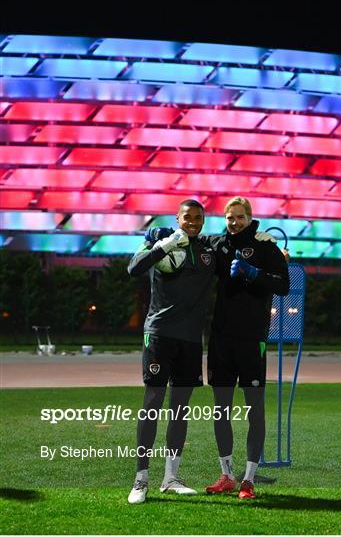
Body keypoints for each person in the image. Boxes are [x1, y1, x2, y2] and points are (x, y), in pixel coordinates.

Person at [126, 199, 216, 504]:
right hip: (160, 334)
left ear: (203, 221)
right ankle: (141, 480)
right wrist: (160, 245)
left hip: (190, 340)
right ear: (178, 218)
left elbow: (238, 239)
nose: (192, 222)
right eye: (187, 217)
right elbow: (133, 268)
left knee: (180, 409)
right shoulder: (159, 240)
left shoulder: (208, 250)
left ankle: (171, 477)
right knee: (152, 402)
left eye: (198, 218)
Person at [203, 197, 290, 500]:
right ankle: (227, 474)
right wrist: (163, 236)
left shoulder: (265, 244)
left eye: (239, 217)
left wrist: (254, 274)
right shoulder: (218, 244)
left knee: (255, 410)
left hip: (252, 339)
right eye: (229, 217)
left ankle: (248, 480)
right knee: (220, 410)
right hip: (221, 339)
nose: (234, 222)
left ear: (249, 217)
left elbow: (284, 285)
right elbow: (190, 241)